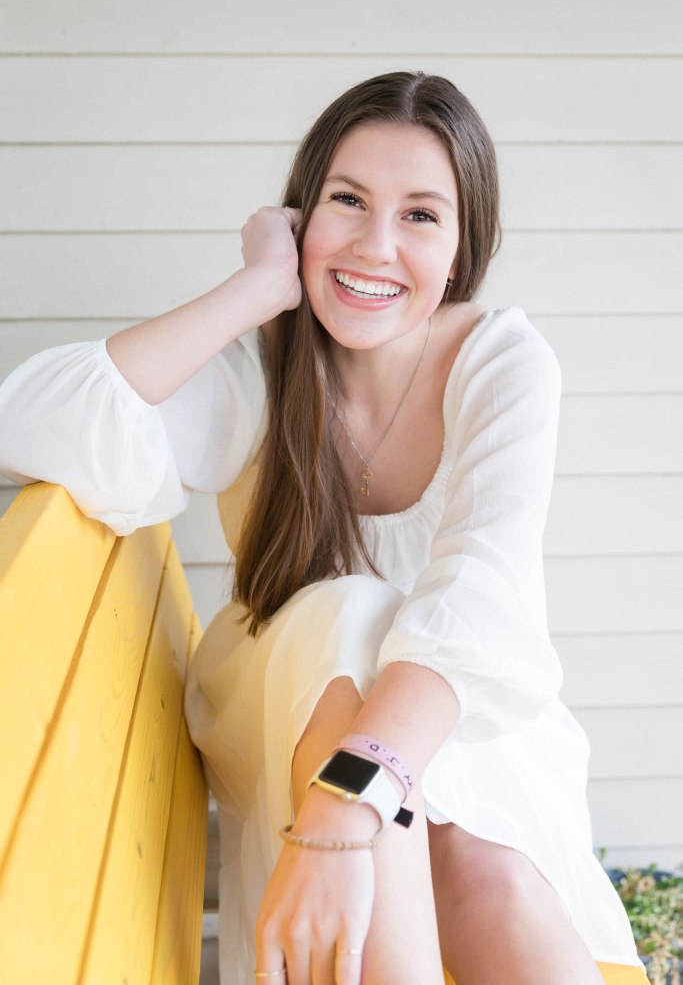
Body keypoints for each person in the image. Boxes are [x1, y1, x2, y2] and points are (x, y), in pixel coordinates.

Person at [0, 72, 647, 985]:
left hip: (457, 718)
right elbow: (26, 429)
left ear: (462, 249)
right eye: (348, 201)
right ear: (303, 216)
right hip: (283, 696)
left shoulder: (499, 361)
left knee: (486, 867)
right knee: (352, 611)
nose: (376, 245)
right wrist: (257, 288)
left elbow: (479, 599)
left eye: (420, 215)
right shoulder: (260, 376)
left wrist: (349, 806)